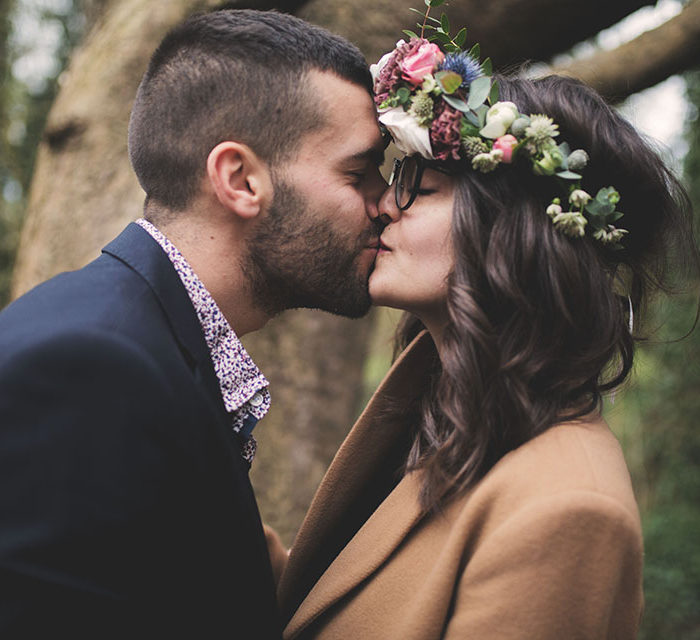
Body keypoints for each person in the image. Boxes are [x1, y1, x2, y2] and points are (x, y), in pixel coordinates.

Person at [275, 29, 700, 640]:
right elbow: (346, 603)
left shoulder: (567, 511)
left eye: (418, 181)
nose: (385, 207)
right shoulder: (446, 417)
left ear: (507, 228)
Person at [0, 8, 385, 638]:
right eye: (357, 172)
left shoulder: (143, 343)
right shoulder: (87, 368)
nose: (386, 201)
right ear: (239, 179)